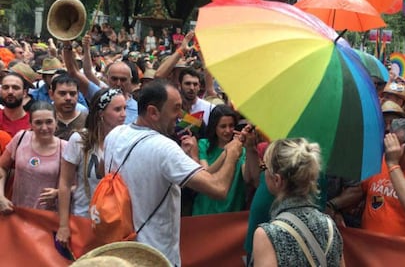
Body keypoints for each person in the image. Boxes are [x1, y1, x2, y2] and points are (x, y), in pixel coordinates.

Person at [104, 79, 243, 266]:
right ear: (153, 112)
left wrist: (187, 159)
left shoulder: (115, 134)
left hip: (120, 251)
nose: (180, 116)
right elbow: (218, 188)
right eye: (176, 109)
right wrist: (232, 153)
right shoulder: (164, 147)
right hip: (155, 255)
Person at [252, 138, 344, 267]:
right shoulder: (329, 226)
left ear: (277, 180)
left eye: (264, 167)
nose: (263, 172)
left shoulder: (267, 234)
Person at [56, 88, 126, 246]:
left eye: (124, 108)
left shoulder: (126, 141)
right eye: (117, 109)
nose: (124, 114)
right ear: (101, 113)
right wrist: (63, 225)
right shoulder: (79, 140)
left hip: (116, 222)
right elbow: (65, 183)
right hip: (84, 220)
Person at [0, 101, 67, 213]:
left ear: (56, 122)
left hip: (47, 218)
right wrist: (1, 197)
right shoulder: (20, 138)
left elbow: (78, 185)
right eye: (38, 123)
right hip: (17, 212)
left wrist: (58, 193)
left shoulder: (65, 148)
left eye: (49, 122)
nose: (44, 128)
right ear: (30, 124)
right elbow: (2, 167)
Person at [192, 105, 259, 215]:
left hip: (231, 212)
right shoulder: (203, 144)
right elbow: (205, 174)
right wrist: (228, 153)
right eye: (223, 126)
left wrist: (249, 148)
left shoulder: (240, 148)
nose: (228, 130)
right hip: (204, 211)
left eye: (231, 126)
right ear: (214, 127)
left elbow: (248, 178)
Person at [63, 39, 138, 124]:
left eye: (123, 79)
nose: (118, 83)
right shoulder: (100, 96)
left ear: (130, 80)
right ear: (107, 78)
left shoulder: (138, 109)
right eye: (114, 79)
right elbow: (73, 73)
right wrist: (66, 44)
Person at [49, 74, 88, 140]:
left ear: (78, 95)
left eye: (72, 94)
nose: (68, 98)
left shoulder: (88, 120)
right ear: (51, 94)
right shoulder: (45, 120)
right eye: (62, 93)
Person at [0, 72, 31, 136]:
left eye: (15, 88)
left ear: (24, 93)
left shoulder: (32, 123)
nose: (10, 92)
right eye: (5, 88)